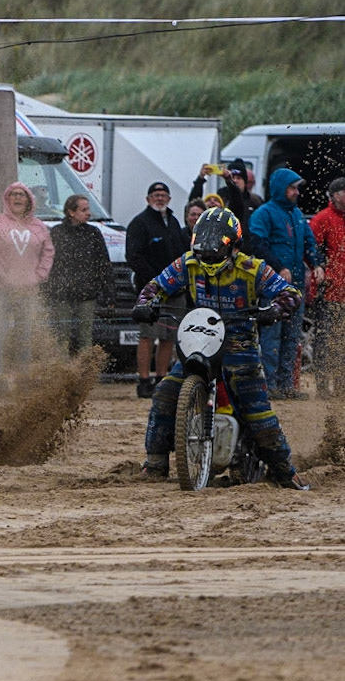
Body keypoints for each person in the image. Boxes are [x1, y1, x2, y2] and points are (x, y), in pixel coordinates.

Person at [131, 208, 308, 489]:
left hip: (240, 346)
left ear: (233, 245)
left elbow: (291, 293)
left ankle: (285, 471)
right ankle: (154, 463)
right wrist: (145, 304)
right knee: (165, 393)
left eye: (216, 252)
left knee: (258, 413)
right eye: (203, 251)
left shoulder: (253, 269)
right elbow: (155, 286)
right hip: (199, 342)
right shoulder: (187, 264)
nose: (208, 258)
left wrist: (274, 309)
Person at [250, 167, 324, 398]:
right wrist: (278, 267)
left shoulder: (298, 215)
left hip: (296, 286)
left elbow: (310, 244)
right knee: (272, 335)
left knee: (292, 337)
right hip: (272, 286)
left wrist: (317, 265)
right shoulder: (264, 214)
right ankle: (269, 386)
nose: (296, 192)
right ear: (281, 188)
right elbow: (258, 244)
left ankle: (287, 385)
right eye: (292, 188)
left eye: (296, 188)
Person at [125, 182, 189, 398]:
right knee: (147, 336)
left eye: (163, 195)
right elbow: (133, 256)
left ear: (169, 199)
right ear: (148, 198)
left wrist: (177, 281)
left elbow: (181, 255)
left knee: (169, 336)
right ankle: (144, 380)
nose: (160, 198)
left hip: (175, 291)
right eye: (155, 195)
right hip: (152, 290)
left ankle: (162, 380)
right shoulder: (139, 223)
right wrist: (156, 280)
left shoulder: (173, 222)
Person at [0, 182, 52, 372]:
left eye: (22, 194)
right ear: (7, 198)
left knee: (25, 335)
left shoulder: (39, 227)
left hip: (28, 289)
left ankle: (23, 379)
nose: (18, 198)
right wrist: (2, 275)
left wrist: (38, 277)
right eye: (14, 194)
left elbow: (48, 253)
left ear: (29, 199)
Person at [46, 195, 113, 356]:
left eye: (88, 209)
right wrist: (49, 289)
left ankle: (85, 375)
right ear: (71, 212)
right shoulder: (56, 232)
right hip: (62, 293)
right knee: (61, 336)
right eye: (84, 210)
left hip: (87, 293)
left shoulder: (93, 233)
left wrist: (109, 292)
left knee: (85, 337)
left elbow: (103, 263)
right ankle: (60, 373)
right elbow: (48, 263)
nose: (88, 213)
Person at [309, 178, 345, 397]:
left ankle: (341, 385)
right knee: (324, 339)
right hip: (329, 291)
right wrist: (320, 266)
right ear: (334, 195)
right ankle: (323, 386)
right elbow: (311, 247)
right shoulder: (322, 219)